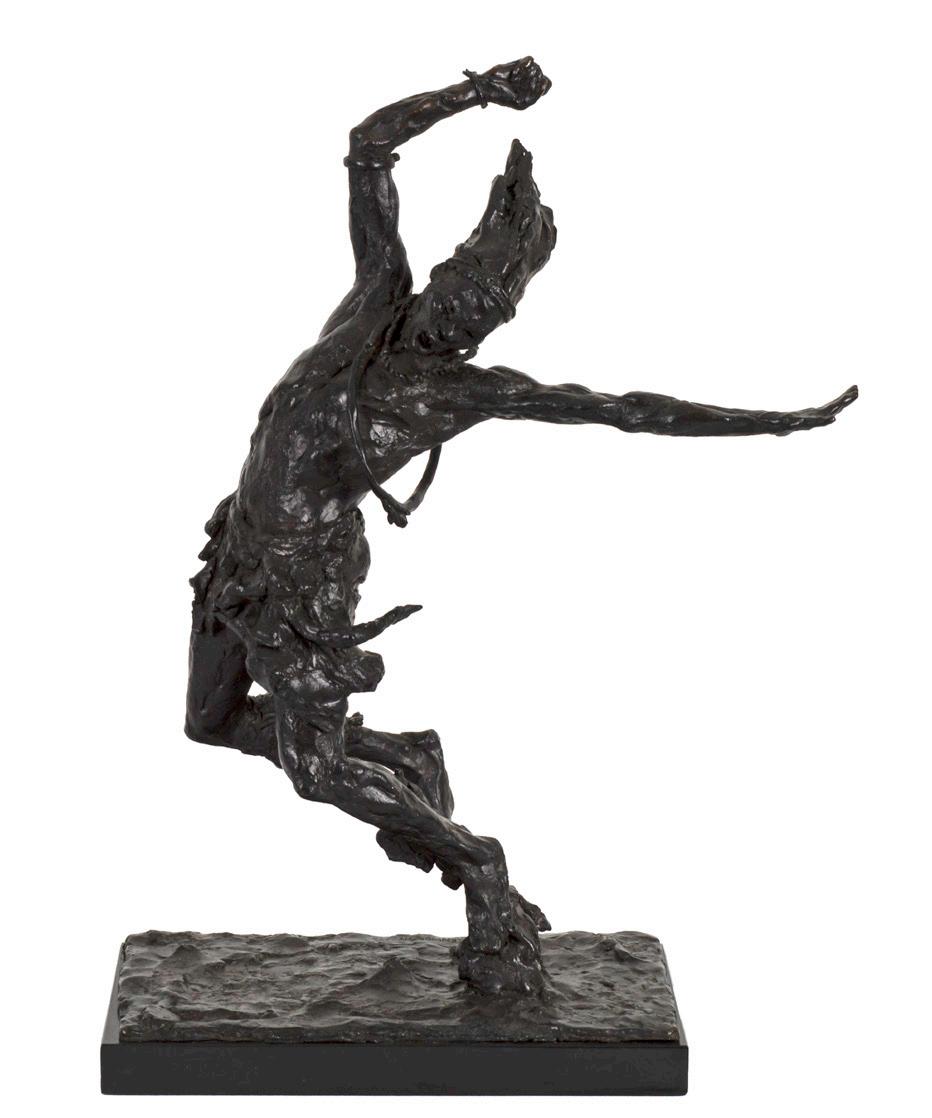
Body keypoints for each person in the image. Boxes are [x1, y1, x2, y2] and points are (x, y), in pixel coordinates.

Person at [185, 58, 857, 992]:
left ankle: (478, 864)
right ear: (447, 272)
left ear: (491, 324)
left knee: (315, 771)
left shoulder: (463, 392)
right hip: (240, 549)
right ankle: (405, 757)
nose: (465, 311)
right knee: (209, 722)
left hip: (303, 582)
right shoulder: (375, 297)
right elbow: (367, 148)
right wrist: (474, 94)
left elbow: (625, 410)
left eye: (486, 309)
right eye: (467, 285)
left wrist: (771, 421)